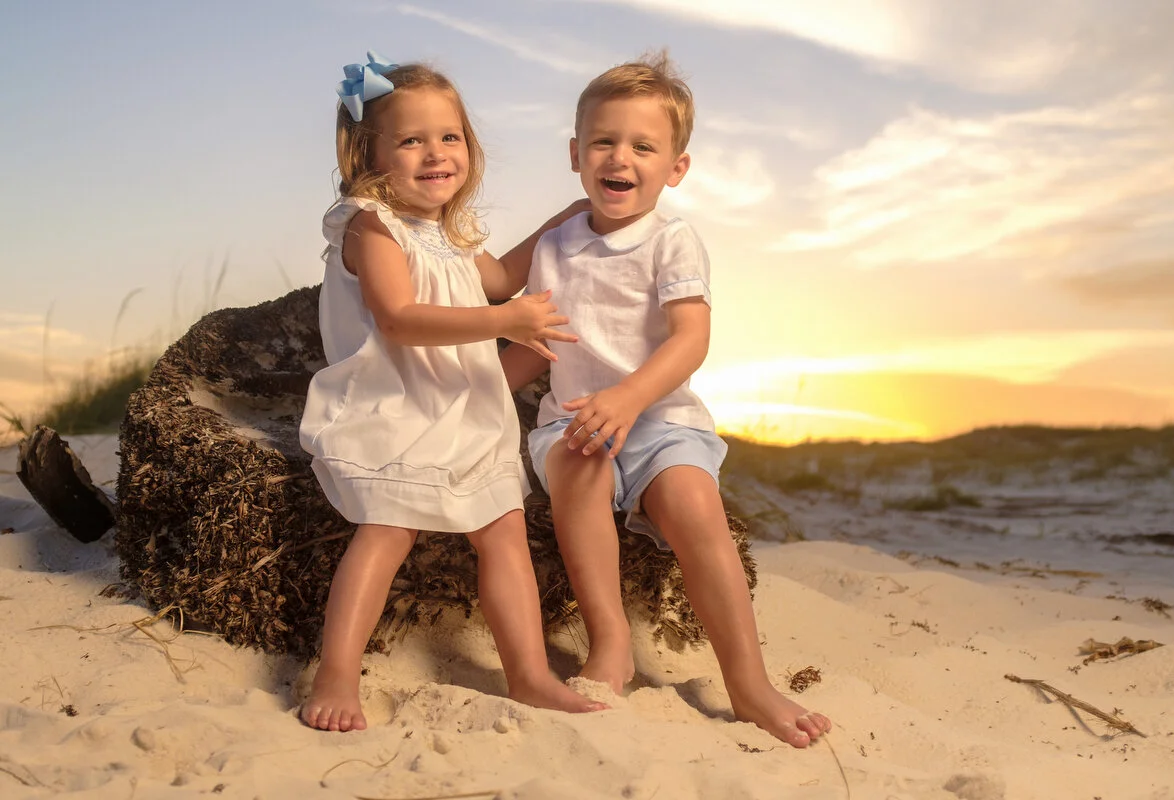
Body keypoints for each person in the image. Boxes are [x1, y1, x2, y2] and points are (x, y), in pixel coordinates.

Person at [500, 53, 833, 748]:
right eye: (603, 142)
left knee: (693, 502)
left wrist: (628, 398)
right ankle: (610, 638)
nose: (620, 158)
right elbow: (543, 344)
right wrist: (483, 389)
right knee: (581, 467)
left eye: (643, 146)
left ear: (676, 167)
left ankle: (747, 681)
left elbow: (689, 340)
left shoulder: (671, 241)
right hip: (573, 421)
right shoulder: (556, 245)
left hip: (660, 421)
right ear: (575, 154)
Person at [298, 51, 603, 732]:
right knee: (387, 531)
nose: (435, 153)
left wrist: (565, 222)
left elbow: (496, 282)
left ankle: (526, 673)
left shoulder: (449, 235)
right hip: (396, 404)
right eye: (411, 140)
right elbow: (399, 320)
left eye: (449, 137)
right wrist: (504, 324)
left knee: (504, 533)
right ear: (369, 152)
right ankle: (336, 673)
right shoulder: (370, 225)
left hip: (462, 406)